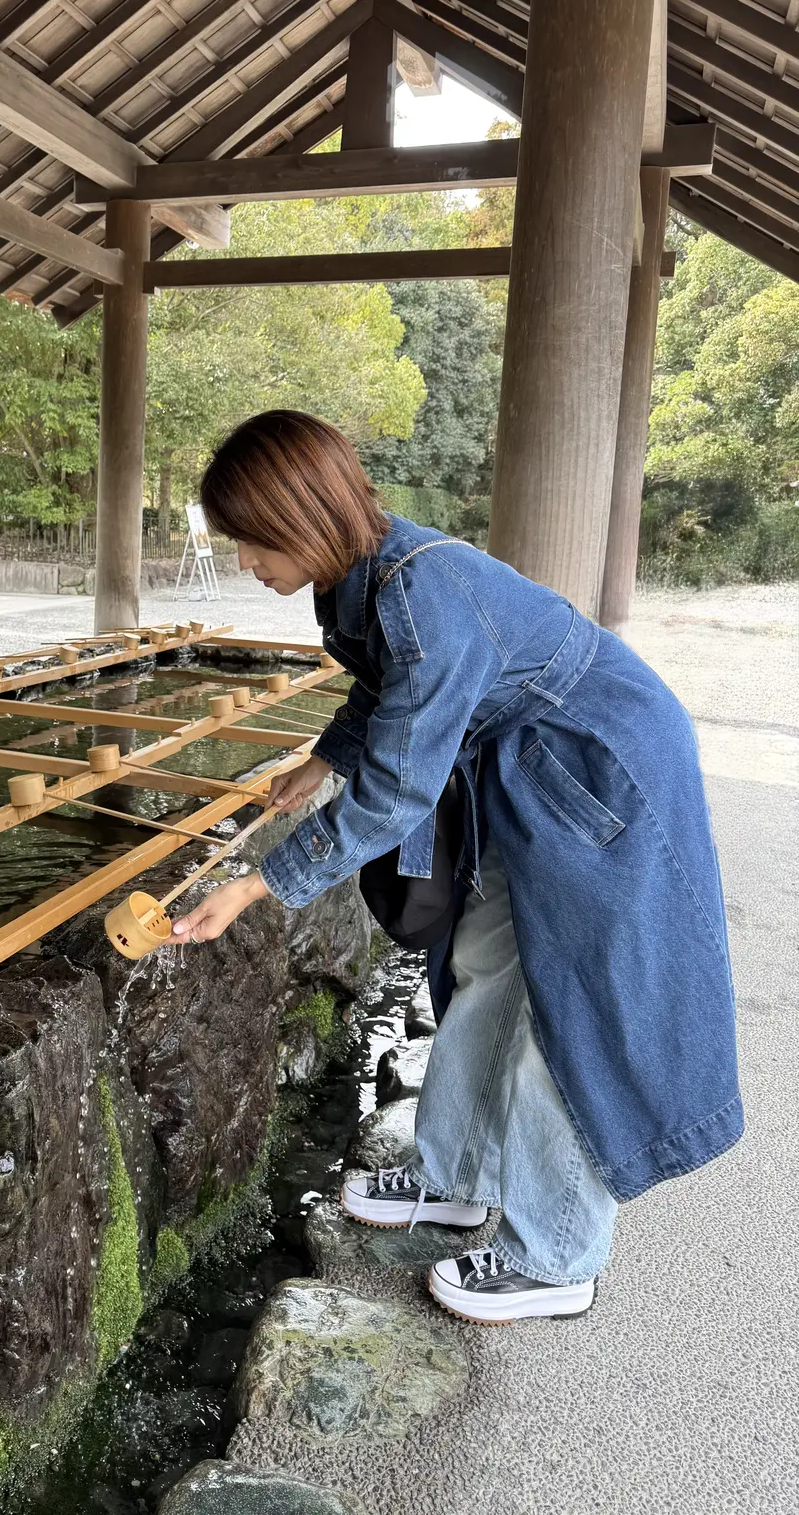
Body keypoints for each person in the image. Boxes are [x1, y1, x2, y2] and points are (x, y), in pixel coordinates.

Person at [168, 410, 741, 1326]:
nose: (243, 562)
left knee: (573, 1014)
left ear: (300, 517)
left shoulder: (422, 595)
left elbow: (396, 791)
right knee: (485, 960)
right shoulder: (358, 574)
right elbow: (381, 691)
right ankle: (455, 1172)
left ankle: (556, 1256)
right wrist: (322, 758)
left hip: (598, 773)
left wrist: (259, 882)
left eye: (248, 540)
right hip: (529, 774)